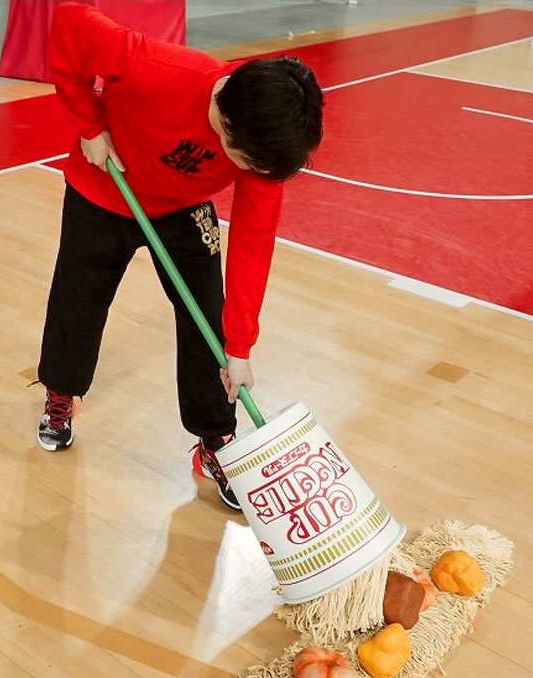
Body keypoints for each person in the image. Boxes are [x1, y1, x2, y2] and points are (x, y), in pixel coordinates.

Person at [37, 2, 324, 509]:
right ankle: (60, 394)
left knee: (209, 324)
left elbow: (253, 245)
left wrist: (240, 347)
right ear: (225, 118)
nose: (249, 171)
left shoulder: (262, 154)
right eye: (243, 161)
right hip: (106, 187)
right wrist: (88, 125)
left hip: (183, 207)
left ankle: (214, 439)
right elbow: (68, 22)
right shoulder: (153, 65)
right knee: (77, 301)